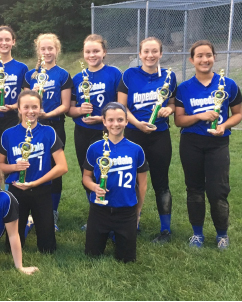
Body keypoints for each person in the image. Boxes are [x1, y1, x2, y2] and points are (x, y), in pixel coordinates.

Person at [174, 40, 242, 249]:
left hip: (218, 143)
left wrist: (224, 125)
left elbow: (238, 114)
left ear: (214, 57)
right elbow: (179, 120)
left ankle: (222, 234)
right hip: (191, 143)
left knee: (218, 190)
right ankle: (197, 234)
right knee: (194, 188)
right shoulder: (184, 88)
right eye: (200, 56)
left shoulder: (228, 84)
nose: (205, 60)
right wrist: (199, 115)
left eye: (208, 55)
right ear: (192, 60)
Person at [117, 37, 177, 243]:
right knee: (131, 181)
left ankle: (166, 230)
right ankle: (133, 223)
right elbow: (122, 106)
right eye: (146, 52)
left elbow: (172, 103)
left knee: (161, 182)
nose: (150, 55)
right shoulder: (129, 75)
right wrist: (137, 123)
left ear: (160, 54)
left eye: (154, 52)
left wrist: (169, 109)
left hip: (159, 135)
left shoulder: (169, 75)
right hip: (134, 134)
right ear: (140, 54)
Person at [0, 90, 68, 253]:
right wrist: (15, 167)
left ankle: (32, 223)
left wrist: (36, 182)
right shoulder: (8, 134)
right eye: (26, 107)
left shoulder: (48, 132)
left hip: (41, 189)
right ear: (19, 109)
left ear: (40, 108)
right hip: (16, 190)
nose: (30, 111)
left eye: (35, 107)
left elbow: (62, 166)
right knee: (12, 247)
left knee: (47, 248)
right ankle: (26, 223)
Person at [83, 102, 147, 262]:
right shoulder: (95, 148)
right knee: (92, 255)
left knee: (127, 259)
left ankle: (119, 235)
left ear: (126, 121)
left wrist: (137, 211)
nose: (115, 124)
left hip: (126, 210)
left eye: (120, 120)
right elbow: (86, 178)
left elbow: (143, 184)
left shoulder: (136, 149)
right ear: (104, 121)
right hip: (99, 209)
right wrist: (94, 187)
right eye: (110, 120)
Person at [22, 33, 73, 230]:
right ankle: (29, 214)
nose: (47, 52)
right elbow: (24, 102)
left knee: (54, 169)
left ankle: (52, 213)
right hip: (32, 127)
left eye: (50, 48)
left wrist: (47, 113)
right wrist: (34, 114)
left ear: (56, 50)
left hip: (54, 125)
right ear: (38, 51)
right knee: (31, 163)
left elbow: (66, 105)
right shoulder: (30, 75)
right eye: (43, 49)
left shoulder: (62, 74)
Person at [67, 34, 122, 204]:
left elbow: (121, 106)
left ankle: (115, 207)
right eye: (88, 51)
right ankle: (95, 209)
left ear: (104, 52)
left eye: (96, 51)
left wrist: (102, 118)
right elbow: (69, 109)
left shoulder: (114, 73)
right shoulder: (77, 78)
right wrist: (79, 110)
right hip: (83, 131)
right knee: (87, 171)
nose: (92, 55)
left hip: (107, 131)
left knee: (109, 170)